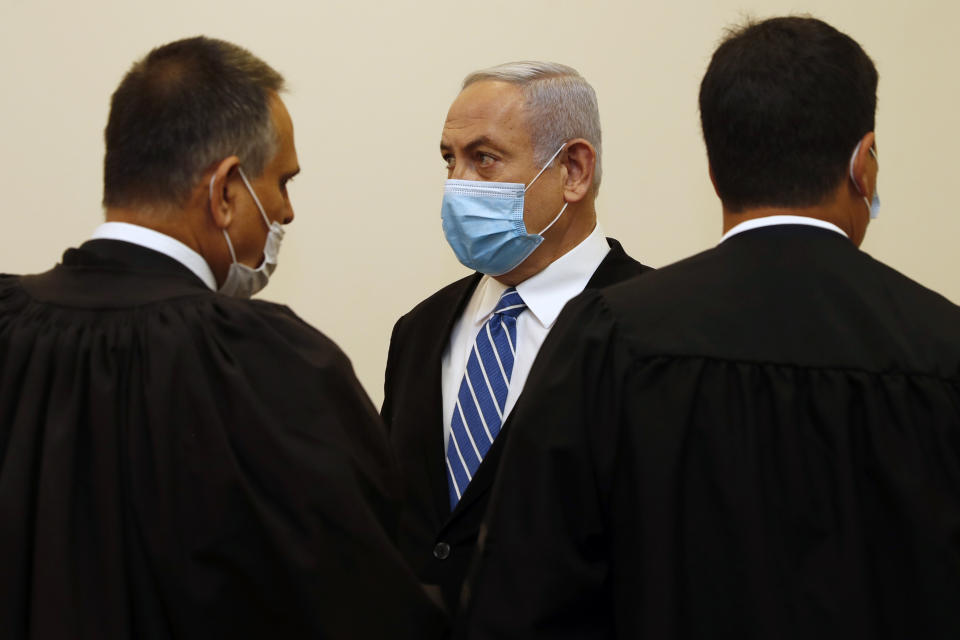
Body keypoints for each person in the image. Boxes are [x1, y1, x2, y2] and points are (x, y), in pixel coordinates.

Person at [460, 17, 960, 639]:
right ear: (865, 164)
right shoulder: (943, 348)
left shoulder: (609, 336)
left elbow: (527, 593)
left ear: (717, 171)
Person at [0, 36, 446, 639]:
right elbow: (356, 596)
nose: (286, 212)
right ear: (226, 191)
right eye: (283, 181)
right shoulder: (264, 366)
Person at [381, 61, 651, 612]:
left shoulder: (655, 332)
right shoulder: (419, 330)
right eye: (449, 160)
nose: (458, 183)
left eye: (484, 158)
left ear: (573, 170)